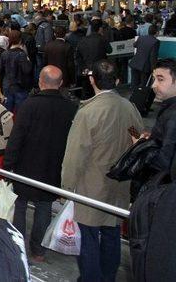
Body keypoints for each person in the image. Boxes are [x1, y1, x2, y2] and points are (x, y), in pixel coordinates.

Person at [62, 60, 144, 282]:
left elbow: (75, 155)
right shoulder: (130, 108)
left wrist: (66, 187)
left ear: (91, 80)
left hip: (91, 186)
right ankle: (108, 277)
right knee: (111, 234)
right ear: (117, 80)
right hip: (120, 185)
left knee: (88, 236)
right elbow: (138, 141)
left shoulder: (88, 113)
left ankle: (90, 278)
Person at [3, 66, 78, 262]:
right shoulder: (71, 107)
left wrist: (8, 164)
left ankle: (17, 246)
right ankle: (38, 251)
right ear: (61, 84)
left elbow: (16, 137)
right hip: (53, 167)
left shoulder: (29, 105)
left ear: (40, 82)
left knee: (19, 205)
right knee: (44, 208)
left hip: (25, 167)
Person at [132, 58, 176, 187]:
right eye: (154, 79)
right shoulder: (168, 107)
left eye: (160, 79)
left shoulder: (172, 115)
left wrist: (140, 146)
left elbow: (164, 161)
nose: (153, 85)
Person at [76, 19, 112, 99]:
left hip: (87, 70)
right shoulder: (102, 39)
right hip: (100, 70)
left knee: (87, 91)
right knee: (100, 92)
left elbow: (78, 56)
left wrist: (83, 68)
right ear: (100, 28)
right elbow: (110, 50)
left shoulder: (83, 40)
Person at [0, 30, 33, 113]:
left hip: (7, 85)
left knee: (6, 112)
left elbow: (0, 71)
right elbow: (27, 70)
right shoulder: (22, 55)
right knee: (20, 112)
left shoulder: (4, 54)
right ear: (20, 40)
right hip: (20, 86)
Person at [129, 24, 160, 91]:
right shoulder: (156, 41)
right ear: (157, 32)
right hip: (144, 66)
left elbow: (135, 45)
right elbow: (153, 57)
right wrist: (153, 69)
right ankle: (140, 99)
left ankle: (132, 97)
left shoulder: (141, 37)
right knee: (144, 85)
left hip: (135, 63)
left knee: (134, 83)